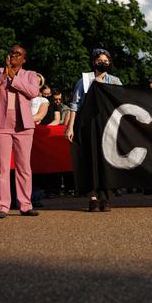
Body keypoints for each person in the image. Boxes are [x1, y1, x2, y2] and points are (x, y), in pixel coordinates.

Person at [0, 45, 40, 218]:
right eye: (12, 53)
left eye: (18, 54)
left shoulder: (30, 74)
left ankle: (25, 205)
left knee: (24, 167)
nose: (13, 55)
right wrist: (3, 76)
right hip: (0, 126)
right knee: (1, 167)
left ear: (24, 59)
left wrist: (14, 77)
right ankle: (1, 207)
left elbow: (33, 92)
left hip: (24, 126)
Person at [65, 48, 122, 212]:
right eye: (99, 61)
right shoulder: (84, 80)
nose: (102, 63)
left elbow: (120, 102)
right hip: (87, 124)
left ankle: (105, 198)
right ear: (93, 62)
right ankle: (92, 198)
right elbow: (75, 105)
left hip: (107, 124)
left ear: (110, 63)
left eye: (106, 61)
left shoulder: (115, 81)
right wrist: (70, 127)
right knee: (89, 159)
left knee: (106, 159)